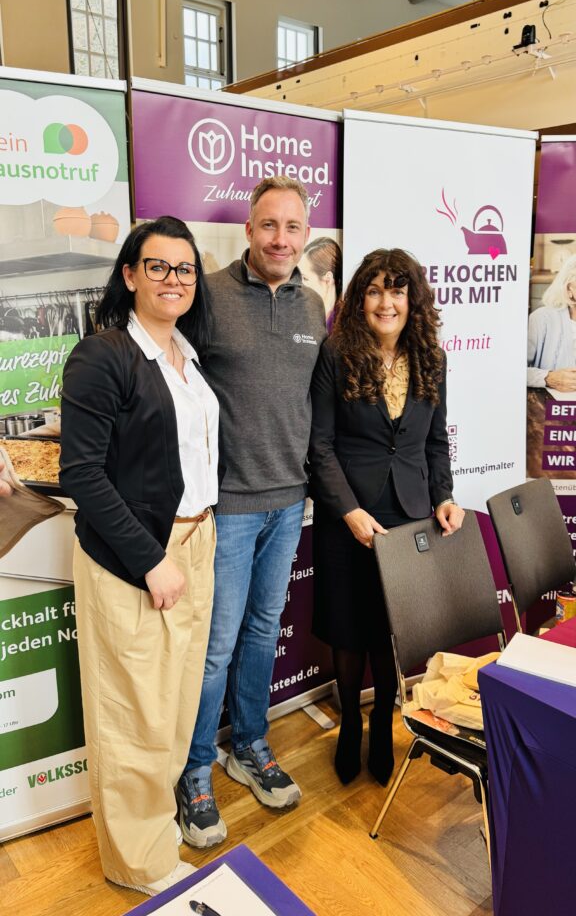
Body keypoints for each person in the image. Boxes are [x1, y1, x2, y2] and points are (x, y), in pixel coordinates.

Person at [59, 217, 218, 895]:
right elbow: (82, 474)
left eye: (184, 269)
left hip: (197, 540)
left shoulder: (187, 350)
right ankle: (140, 863)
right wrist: (150, 562)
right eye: (158, 267)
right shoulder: (104, 356)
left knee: (175, 703)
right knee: (134, 714)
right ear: (129, 275)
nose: (173, 280)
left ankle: (157, 826)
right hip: (136, 557)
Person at [177, 176, 327, 848]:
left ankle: (250, 746)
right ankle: (193, 771)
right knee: (216, 647)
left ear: (304, 234)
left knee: (263, 631)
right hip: (227, 505)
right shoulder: (207, 295)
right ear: (248, 230)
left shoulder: (313, 306)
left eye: (293, 228)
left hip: (287, 501)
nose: (281, 239)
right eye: (269, 226)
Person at [308, 248, 464, 785]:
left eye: (397, 291)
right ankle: (350, 719)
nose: (386, 302)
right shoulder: (336, 354)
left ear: (412, 300)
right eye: (374, 290)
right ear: (360, 299)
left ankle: (381, 719)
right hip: (350, 513)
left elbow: (436, 443)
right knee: (351, 628)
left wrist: (443, 495)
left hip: (410, 513)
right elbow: (320, 446)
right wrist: (348, 510)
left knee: (390, 629)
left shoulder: (432, 360)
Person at [528, 254, 576, 391]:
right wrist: (548, 378)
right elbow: (513, 371)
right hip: (551, 408)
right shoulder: (542, 319)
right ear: (569, 289)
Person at [300, 236, 342, 330]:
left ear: (328, 280)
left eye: (305, 278)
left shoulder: (346, 325)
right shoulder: (303, 316)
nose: (299, 285)